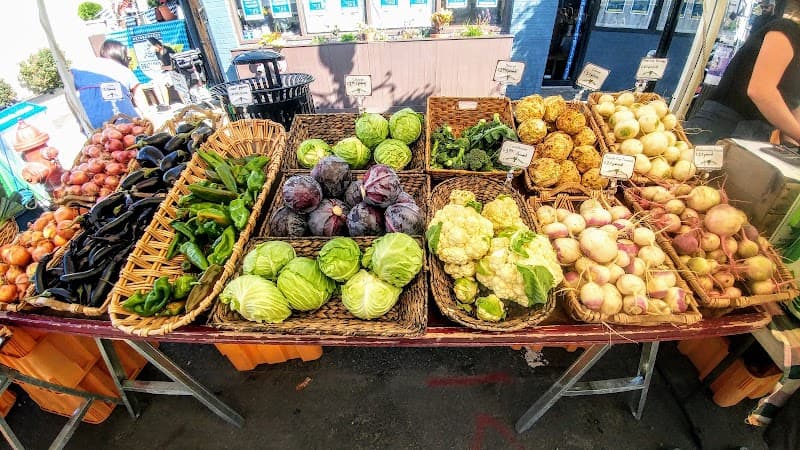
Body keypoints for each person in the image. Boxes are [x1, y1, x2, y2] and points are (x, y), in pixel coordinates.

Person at [685, 2, 800, 145]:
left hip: (755, 133)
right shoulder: (788, 31)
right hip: (724, 125)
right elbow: (761, 91)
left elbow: (793, 107)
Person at [71, 39, 148, 129]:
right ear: (120, 55)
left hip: (92, 124)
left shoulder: (82, 68)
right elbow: (140, 98)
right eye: (128, 58)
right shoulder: (124, 70)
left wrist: (80, 123)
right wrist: (149, 119)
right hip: (125, 123)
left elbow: (69, 94)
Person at [147, 37, 176, 110]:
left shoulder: (168, 51)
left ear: (157, 45)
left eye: (151, 46)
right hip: (166, 73)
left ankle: (166, 104)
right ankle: (161, 104)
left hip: (174, 72)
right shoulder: (157, 53)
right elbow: (163, 65)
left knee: (161, 83)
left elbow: (173, 66)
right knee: (155, 83)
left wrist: (160, 68)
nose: (150, 48)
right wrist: (158, 68)